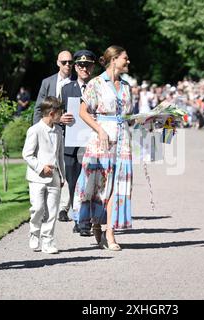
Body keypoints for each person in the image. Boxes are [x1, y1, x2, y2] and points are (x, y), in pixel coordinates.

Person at [73, 45, 133, 250]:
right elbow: (83, 112)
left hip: (123, 138)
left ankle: (110, 232)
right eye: (125, 58)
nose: (128, 61)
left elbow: (128, 117)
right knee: (100, 185)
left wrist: (150, 121)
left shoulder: (127, 86)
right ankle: (97, 225)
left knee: (118, 185)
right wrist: (99, 130)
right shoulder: (96, 83)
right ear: (114, 59)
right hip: (102, 138)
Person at [60, 50, 96, 235]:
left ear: (93, 66)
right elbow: (58, 112)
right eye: (81, 65)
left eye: (87, 65)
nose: (84, 68)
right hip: (71, 144)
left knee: (89, 182)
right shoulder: (67, 88)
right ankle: (77, 218)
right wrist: (61, 118)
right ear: (75, 67)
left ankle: (85, 222)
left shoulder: (98, 87)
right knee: (73, 183)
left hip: (91, 142)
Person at [22, 96, 65, 254]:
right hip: (37, 178)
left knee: (52, 210)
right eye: (60, 112)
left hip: (54, 176)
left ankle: (48, 240)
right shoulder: (35, 130)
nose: (62, 115)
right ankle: (34, 232)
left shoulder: (59, 130)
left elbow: (59, 155)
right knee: (38, 208)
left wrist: (62, 175)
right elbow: (27, 154)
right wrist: (41, 168)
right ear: (52, 113)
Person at [33, 50, 73, 124]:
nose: (67, 64)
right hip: (51, 127)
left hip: (71, 127)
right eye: (64, 62)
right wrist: (36, 128)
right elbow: (39, 108)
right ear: (58, 63)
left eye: (70, 62)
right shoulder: (47, 82)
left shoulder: (76, 82)